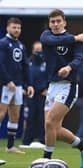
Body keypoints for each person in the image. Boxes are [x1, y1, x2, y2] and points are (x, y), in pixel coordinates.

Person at [40, 9, 83, 168]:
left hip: (68, 86)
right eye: (52, 22)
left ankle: (46, 160)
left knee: (50, 122)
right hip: (52, 86)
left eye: (58, 21)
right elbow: (53, 41)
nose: (55, 24)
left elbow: (79, 59)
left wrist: (69, 68)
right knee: (53, 128)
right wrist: (74, 37)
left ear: (65, 22)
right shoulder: (46, 36)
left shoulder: (76, 42)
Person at [0, 17, 34, 154]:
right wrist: (7, 81)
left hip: (19, 86)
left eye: (19, 28)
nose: (17, 30)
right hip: (5, 85)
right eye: (14, 27)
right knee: (1, 113)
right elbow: (0, 64)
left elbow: (25, 66)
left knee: (15, 115)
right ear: (8, 28)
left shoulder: (20, 45)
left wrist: (29, 84)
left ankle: (10, 146)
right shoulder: (2, 43)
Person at [20, 41, 48, 147]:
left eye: (40, 50)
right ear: (32, 50)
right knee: (29, 117)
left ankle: (42, 140)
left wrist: (47, 88)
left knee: (42, 117)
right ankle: (27, 141)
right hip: (30, 94)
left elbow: (51, 76)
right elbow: (22, 76)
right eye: (36, 50)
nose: (38, 52)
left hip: (43, 94)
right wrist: (25, 88)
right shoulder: (27, 63)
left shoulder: (47, 63)